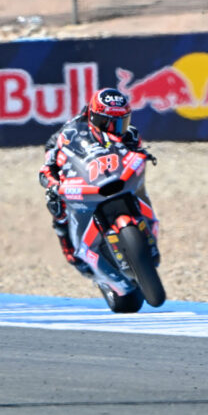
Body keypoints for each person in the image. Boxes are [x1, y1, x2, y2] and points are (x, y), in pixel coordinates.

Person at [38, 88, 152, 276]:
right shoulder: (71, 131)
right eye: (107, 123)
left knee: (139, 185)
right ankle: (68, 244)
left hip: (112, 171)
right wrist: (53, 182)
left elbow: (136, 153)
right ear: (93, 116)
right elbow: (48, 167)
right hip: (81, 165)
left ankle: (146, 222)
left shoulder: (129, 133)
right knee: (55, 202)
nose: (114, 128)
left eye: (120, 123)